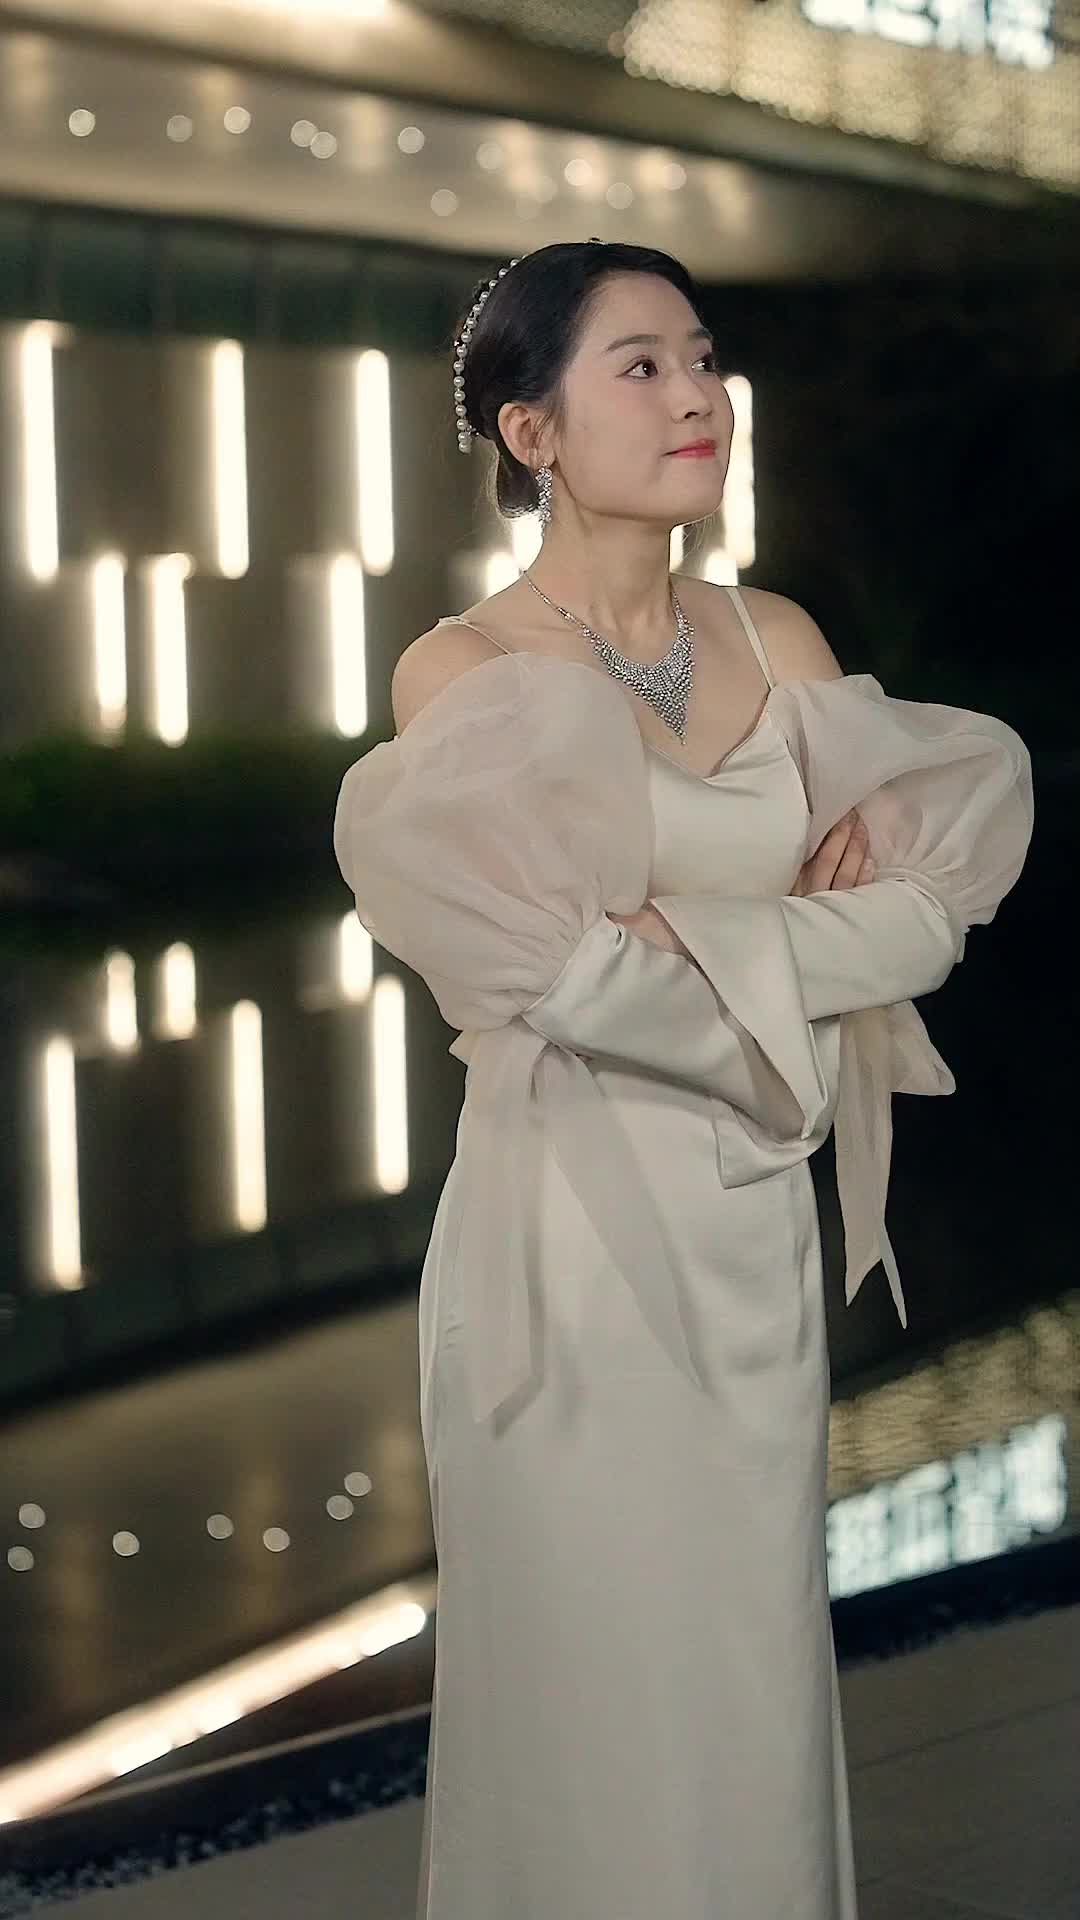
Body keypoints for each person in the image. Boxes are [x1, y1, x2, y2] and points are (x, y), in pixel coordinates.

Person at [332, 241, 1033, 1919]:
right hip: (569, 1246)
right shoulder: (465, 672)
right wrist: (788, 935)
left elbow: (929, 920)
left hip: (751, 1239)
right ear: (532, 431)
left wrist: (688, 936)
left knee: (746, 1668)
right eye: (639, 366)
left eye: (703, 358)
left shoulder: (776, 636)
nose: (698, 395)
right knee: (584, 1671)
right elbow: (560, 983)